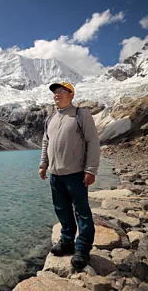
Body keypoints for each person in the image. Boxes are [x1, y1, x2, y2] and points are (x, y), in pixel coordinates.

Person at [38, 82, 100, 271]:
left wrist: (91, 169)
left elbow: (92, 142)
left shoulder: (81, 115)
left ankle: (82, 249)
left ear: (71, 95)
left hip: (76, 174)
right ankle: (67, 242)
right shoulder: (51, 119)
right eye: (55, 92)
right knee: (62, 210)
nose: (57, 94)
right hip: (55, 174)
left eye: (62, 91)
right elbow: (45, 142)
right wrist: (43, 164)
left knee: (82, 211)